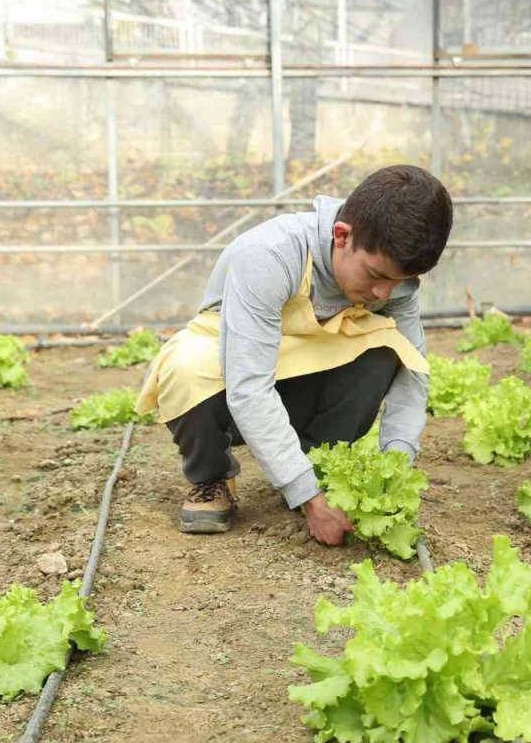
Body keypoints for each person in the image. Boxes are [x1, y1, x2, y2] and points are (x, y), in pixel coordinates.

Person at [137, 164, 452, 545]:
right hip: (234, 372)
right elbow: (249, 385)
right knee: (186, 366)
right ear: (341, 236)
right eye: (376, 275)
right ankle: (212, 477)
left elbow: (413, 371)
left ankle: (316, 466)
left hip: (305, 374)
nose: (384, 293)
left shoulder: (395, 283)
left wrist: (397, 464)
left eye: (398, 282)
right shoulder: (269, 255)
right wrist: (308, 499)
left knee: (387, 350)